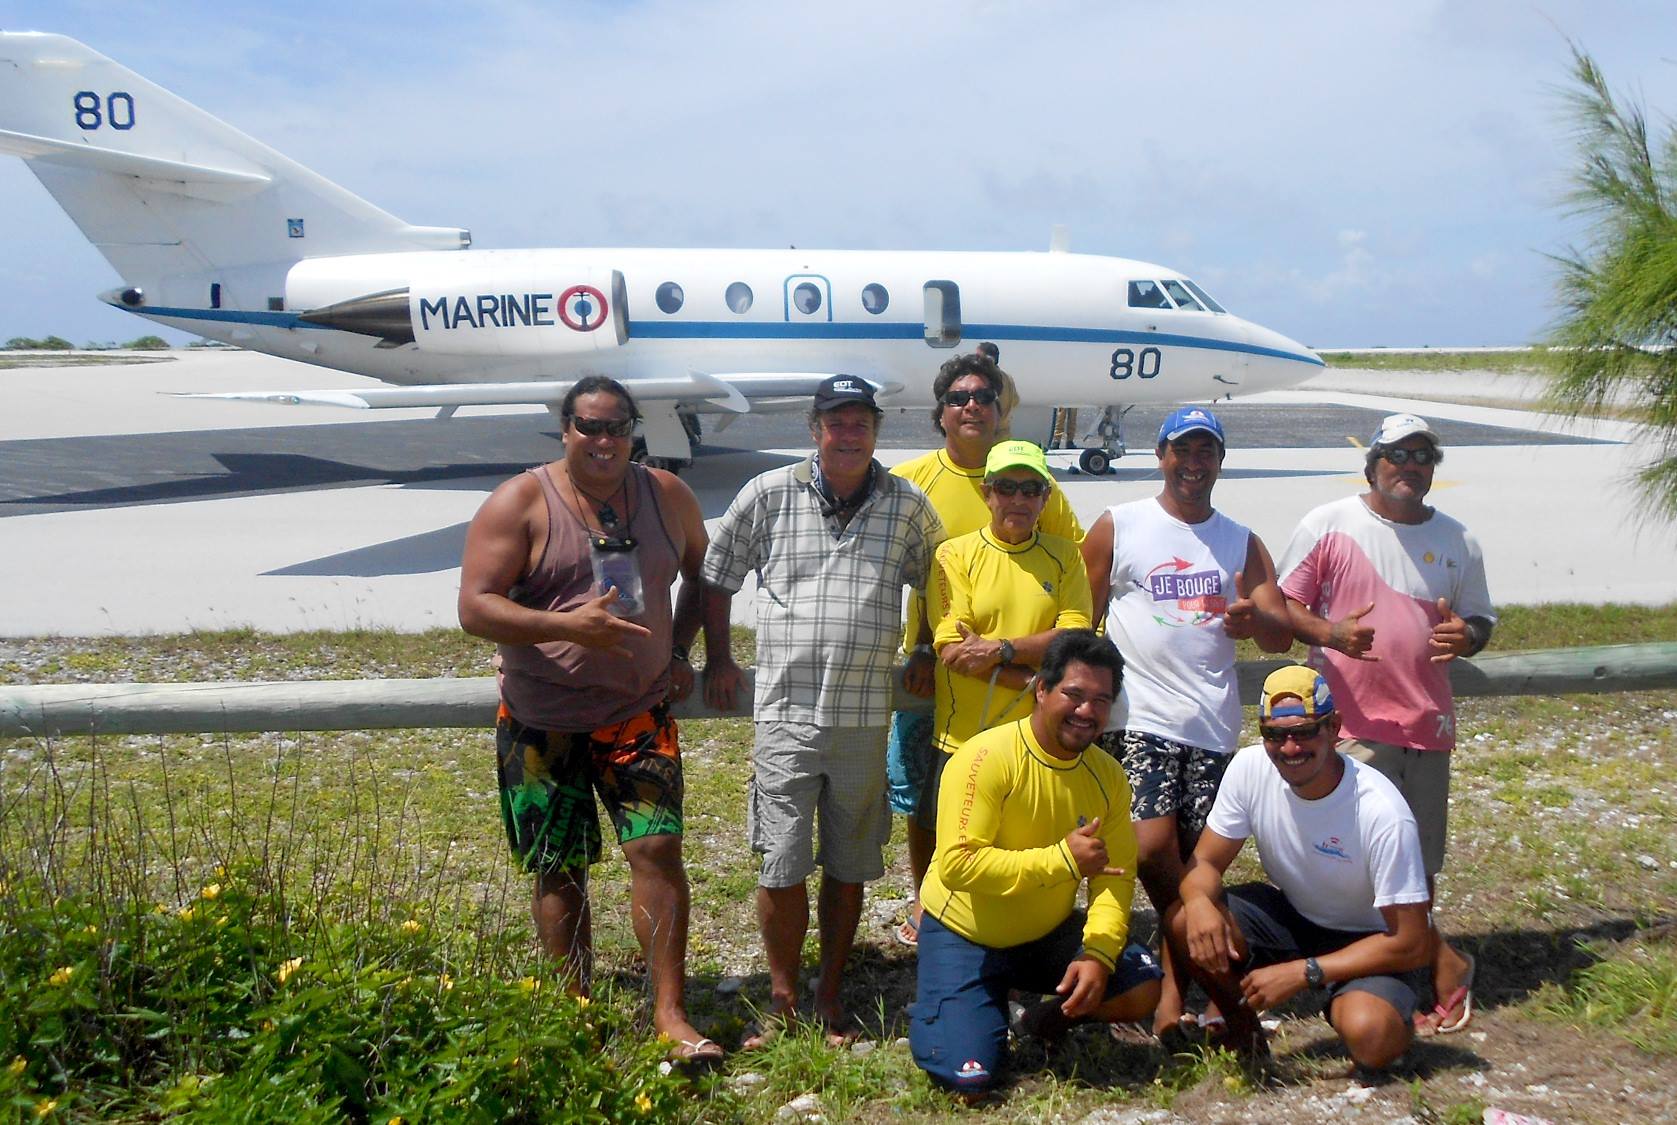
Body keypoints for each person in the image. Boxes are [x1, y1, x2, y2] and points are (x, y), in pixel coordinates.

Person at [457, 376, 720, 1065]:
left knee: (657, 851)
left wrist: (685, 648)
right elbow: (474, 607)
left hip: (638, 714)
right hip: (541, 720)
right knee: (558, 867)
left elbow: (704, 573)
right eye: (588, 426)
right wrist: (563, 625)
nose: (603, 440)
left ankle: (668, 1010)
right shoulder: (519, 501)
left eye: (616, 427)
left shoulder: (666, 495)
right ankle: (574, 1009)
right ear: (564, 428)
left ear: (634, 430)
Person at [701, 375, 944, 1046]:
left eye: (859, 420)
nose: (848, 431)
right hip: (783, 712)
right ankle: (782, 998)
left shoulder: (907, 504)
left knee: (847, 862)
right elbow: (716, 577)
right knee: (780, 863)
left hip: (866, 716)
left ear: (875, 429)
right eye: (835, 421)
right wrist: (717, 659)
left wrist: (925, 641)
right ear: (814, 428)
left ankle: (829, 994)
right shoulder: (767, 493)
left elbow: (944, 579)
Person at [1080, 404, 1294, 1039]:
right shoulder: (1120, 525)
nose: (1194, 464)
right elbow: (1082, 624)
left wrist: (1255, 622)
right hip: (1138, 715)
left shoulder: (1241, 540)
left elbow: (1279, 637)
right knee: (1151, 850)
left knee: (1197, 864)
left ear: (1220, 463)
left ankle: (1175, 998)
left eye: (1207, 453)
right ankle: (1216, 954)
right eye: (1183, 450)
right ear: (1160, 455)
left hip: (1213, 726)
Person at [1278, 412, 1494, 1034]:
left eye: (1423, 457)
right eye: (1397, 455)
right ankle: (1430, 966)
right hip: (1349, 730)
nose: (1410, 466)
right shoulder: (1329, 524)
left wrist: (1467, 636)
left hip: (1427, 728)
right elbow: (1284, 604)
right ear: (1372, 463)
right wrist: (1332, 633)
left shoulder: (1458, 539)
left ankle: (1415, 971)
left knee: (1417, 867)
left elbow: (1481, 620)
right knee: (1354, 861)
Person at [910, 630, 1162, 1096]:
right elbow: (958, 866)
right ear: (1041, 690)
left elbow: (1116, 878)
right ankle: (955, 1001)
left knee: (1142, 986)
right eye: (1075, 694)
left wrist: (1098, 954)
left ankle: (1043, 1019)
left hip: (1045, 933)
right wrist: (1063, 860)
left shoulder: (1107, 776)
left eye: (1101, 700)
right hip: (966, 933)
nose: (1087, 711)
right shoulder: (984, 758)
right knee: (968, 1079)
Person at [887, 353, 1085, 947]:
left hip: (1020, 682)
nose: (972, 405)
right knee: (930, 800)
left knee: (1011, 807)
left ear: (1003, 412)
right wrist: (924, 649)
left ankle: (1017, 908)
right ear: (941, 412)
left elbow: (1074, 575)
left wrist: (1009, 656)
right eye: (958, 397)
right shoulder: (914, 480)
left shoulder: (1046, 505)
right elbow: (901, 577)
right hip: (937, 674)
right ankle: (931, 903)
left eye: (986, 397)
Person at [1166, 665, 1432, 1070]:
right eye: (1275, 734)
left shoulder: (1381, 810)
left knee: (1373, 1038)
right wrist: (1198, 900)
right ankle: (1244, 1030)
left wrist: (1303, 973)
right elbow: (1203, 862)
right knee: (1186, 917)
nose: (1289, 748)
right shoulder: (1250, 768)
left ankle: (1391, 1006)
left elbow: (1411, 940)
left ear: (1334, 728)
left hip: (1370, 939)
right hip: (1294, 917)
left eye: (1304, 731)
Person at [920, 438, 1092, 838]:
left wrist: (999, 649)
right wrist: (1036, 682)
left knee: (1034, 856)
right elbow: (954, 650)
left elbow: (1076, 638)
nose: (1019, 499)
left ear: (1046, 497)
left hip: (1041, 741)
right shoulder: (953, 555)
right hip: (963, 741)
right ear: (986, 493)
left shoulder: (1065, 556)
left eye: (1030, 489)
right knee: (953, 861)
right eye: (1005, 487)